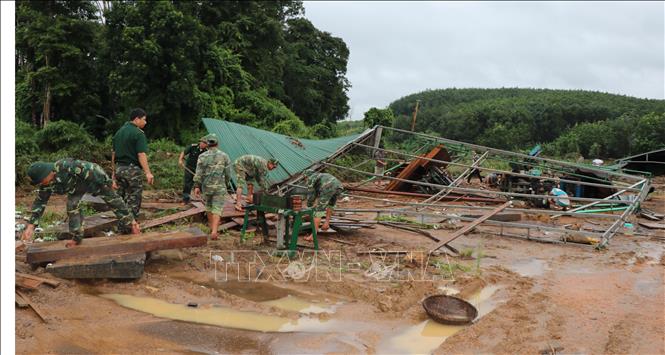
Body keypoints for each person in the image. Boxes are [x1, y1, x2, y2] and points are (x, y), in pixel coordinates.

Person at [21, 159, 140, 248]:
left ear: (47, 173)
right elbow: (40, 202)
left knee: (114, 201)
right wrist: (31, 225)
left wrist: (107, 181)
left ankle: (133, 225)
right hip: (76, 188)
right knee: (72, 206)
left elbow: (93, 168)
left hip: (93, 180)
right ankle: (77, 238)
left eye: (41, 181)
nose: (41, 183)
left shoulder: (67, 166)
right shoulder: (45, 184)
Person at [112, 108, 153, 219]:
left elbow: (113, 154)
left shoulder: (119, 132)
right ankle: (131, 226)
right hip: (132, 171)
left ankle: (121, 226)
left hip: (119, 169)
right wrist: (148, 173)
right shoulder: (138, 134)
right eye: (144, 119)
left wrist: (113, 174)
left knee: (120, 200)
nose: (145, 122)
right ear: (136, 119)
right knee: (133, 199)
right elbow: (141, 154)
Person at [193, 134, 232, 240]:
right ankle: (214, 231)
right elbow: (228, 173)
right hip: (219, 187)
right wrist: (226, 183)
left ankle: (211, 228)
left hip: (206, 187)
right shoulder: (224, 156)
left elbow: (198, 173)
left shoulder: (202, 156)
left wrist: (197, 186)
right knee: (217, 209)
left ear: (207, 145)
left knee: (209, 207)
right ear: (217, 144)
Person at [302, 169, 343, 242]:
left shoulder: (311, 178)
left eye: (304, 178)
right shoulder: (320, 175)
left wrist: (308, 207)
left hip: (328, 187)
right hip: (339, 186)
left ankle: (313, 236)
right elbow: (316, 192)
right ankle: (326, 223)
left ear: (306, 176)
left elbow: (311, 193)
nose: (305, 179)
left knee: (318, 211)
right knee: (330, 204)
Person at [178, 137, 208, 204]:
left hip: (199, 170)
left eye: (205, 143)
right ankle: (186, 200)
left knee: (200, 184)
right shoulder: (193, 147)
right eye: (202, 142)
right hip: (189, 168)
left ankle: (202, 199)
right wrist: (180, 160)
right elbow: (184, 152)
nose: (203, 144)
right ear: (200, 142)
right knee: (187, 183)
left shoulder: (206, 152)